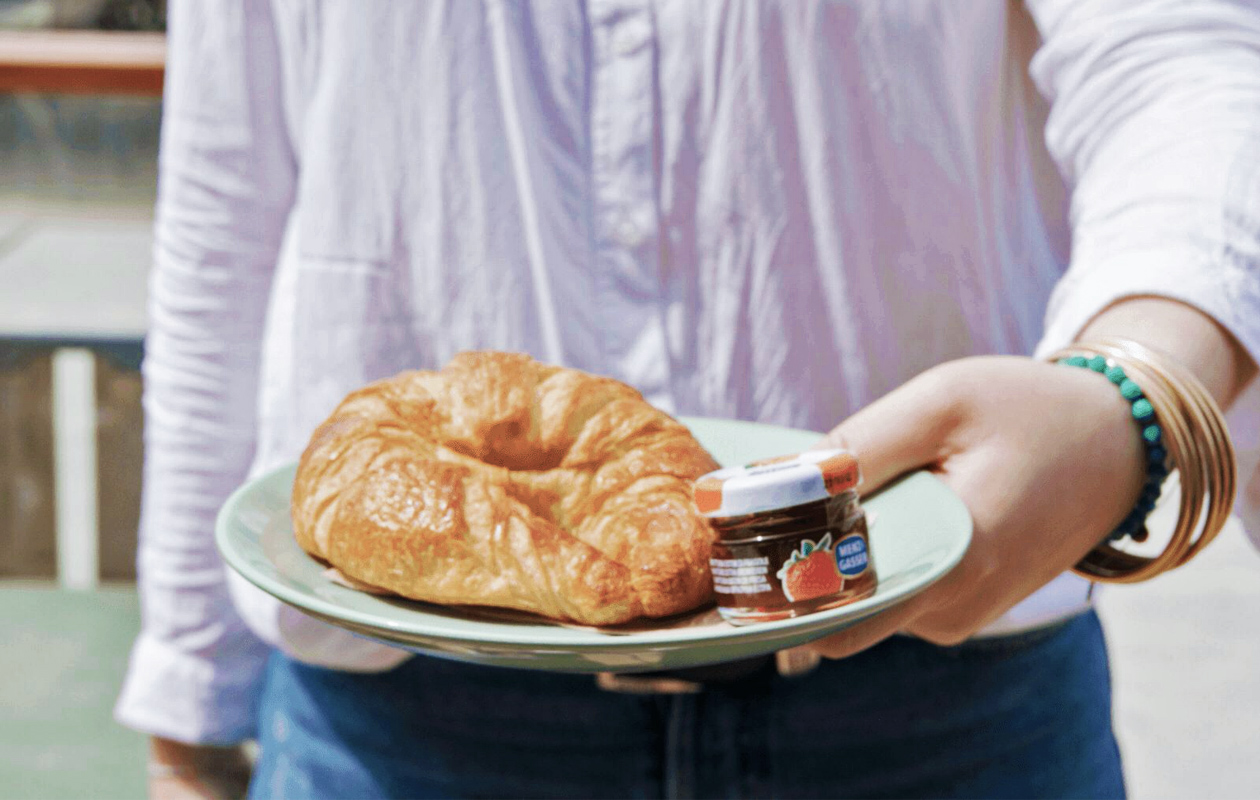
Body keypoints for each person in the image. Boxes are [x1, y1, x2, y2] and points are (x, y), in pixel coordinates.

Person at [117, 1, 1260, 797]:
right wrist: (189, 719)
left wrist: (1137, 390)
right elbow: (229, 200)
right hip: (404, 720)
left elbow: (1185, 54)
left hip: (941, 697)